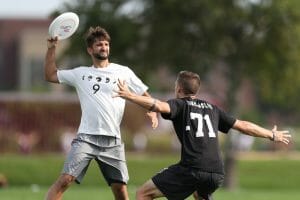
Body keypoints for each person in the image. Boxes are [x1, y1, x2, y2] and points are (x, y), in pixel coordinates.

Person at [115, 70, 291, 200]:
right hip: (216, 173)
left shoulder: (179, 104)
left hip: (192, 169)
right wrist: (271, 134)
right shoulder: (213, 109)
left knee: (143, 193)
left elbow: (158, 105)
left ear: (178, 88)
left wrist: (129, 95)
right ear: (196, 91)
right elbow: (243, 125)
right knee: (200, 193)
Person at [44, 26, 158, 200]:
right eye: (99, 45)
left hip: (112, 141)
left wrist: (152, 110)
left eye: (106, 44)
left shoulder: (123, 71)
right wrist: (52, 48)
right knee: (65, 180)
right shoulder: (80, 73)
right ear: (90, 49)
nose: (103, 47)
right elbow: (51, 75)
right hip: (86, 138)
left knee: (120, 190)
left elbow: (143, 92)